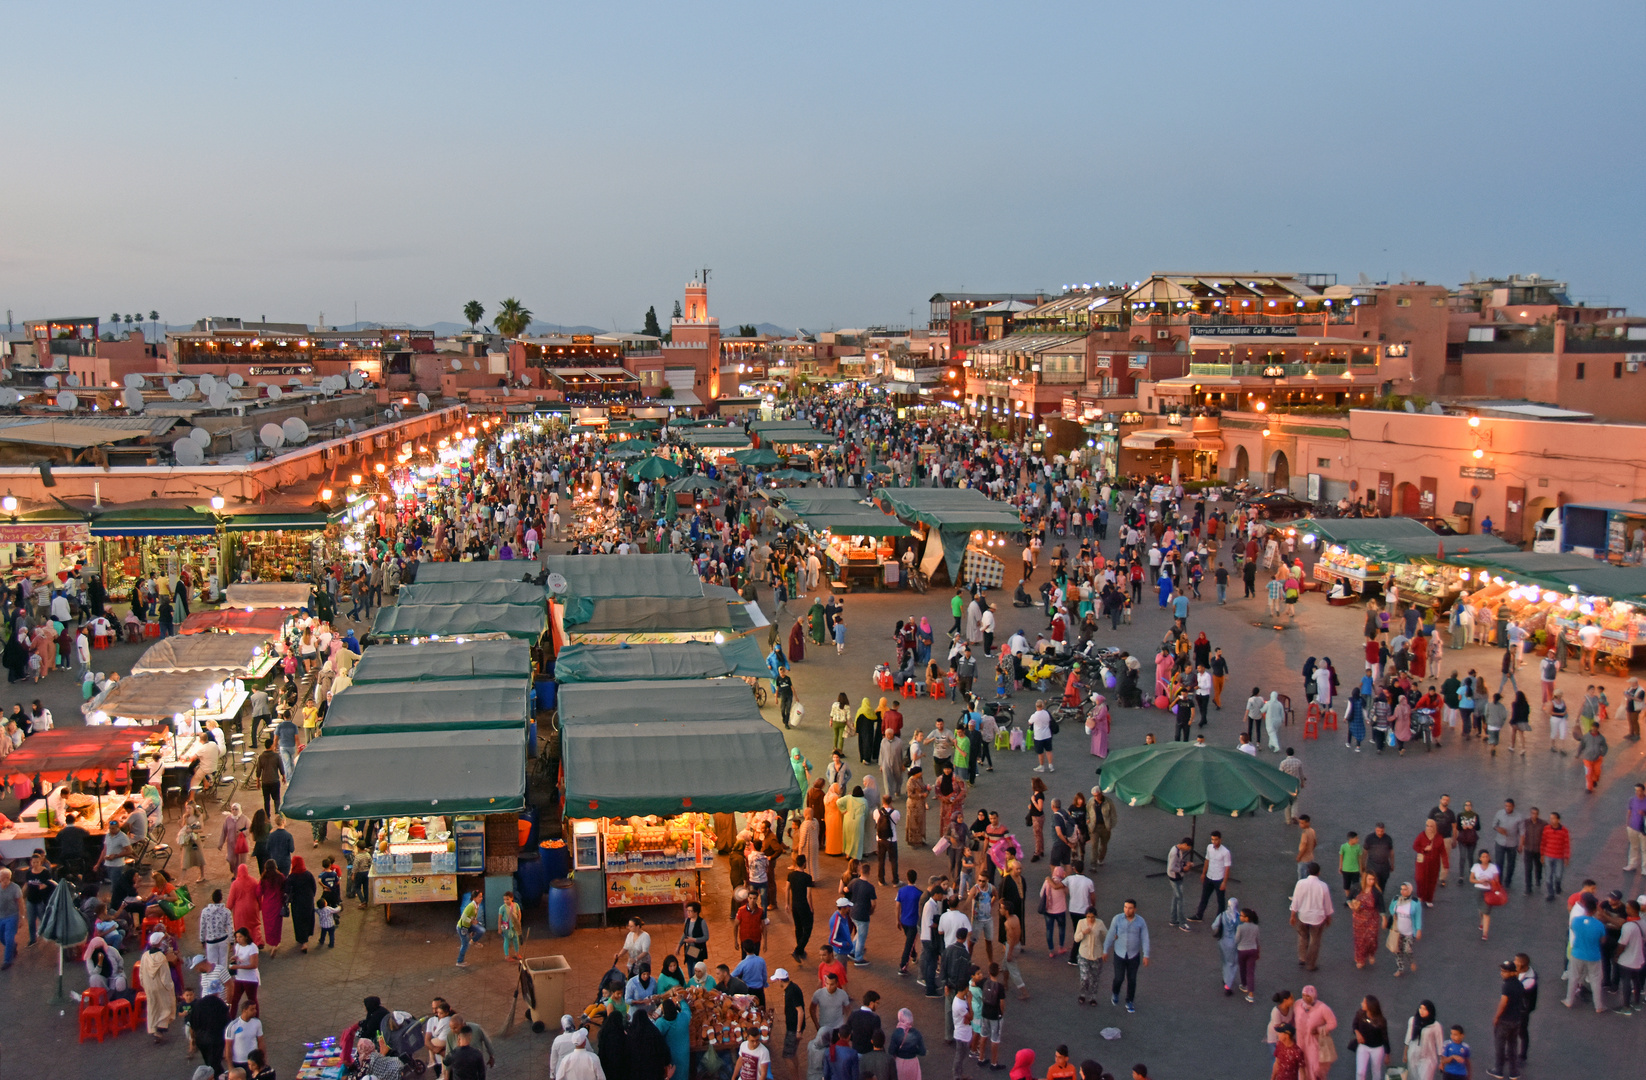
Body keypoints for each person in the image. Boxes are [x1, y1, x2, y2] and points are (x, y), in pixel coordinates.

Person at [1101, 899, 1149, 1013]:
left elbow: (1145, 938)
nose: (1127, 910)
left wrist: (1146, 954)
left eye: (1130, 908)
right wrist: (1105, 950)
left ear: (1135, 909)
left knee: (1132, 980)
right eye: (1125, 907)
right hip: (1119, 953)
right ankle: (1115, 993)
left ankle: (1129, 1001)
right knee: (1119, 978)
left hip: (1133, 955)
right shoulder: (1117, 919)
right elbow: (1110, 934)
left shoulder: (1141, 922)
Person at [1288, 863, 1333, 973]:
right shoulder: (1323, 886)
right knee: (1315, 941)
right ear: (1319, 873)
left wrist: (1293, 915)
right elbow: (1327, 904)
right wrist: (1328, 917)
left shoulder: (1300, 883)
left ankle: (1302, 957)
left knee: (1303, 936)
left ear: (1308, 871)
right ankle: (1311, 964)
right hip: (1318, 918)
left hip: (1303, 915)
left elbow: (1296, 900)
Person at [138, 931, 178, 1042]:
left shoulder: (145, 956)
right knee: (164, 1008)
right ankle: (160, 1030)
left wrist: (145, 985)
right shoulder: (161, 957)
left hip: (149, 986)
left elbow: (141, 973)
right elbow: (165, 976)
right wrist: (170, 987)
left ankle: (154, 1029)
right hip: (161, 987)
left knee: (153, 1008)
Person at [1292, 985, 1338, 1080]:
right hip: (1300, 1043)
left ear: (1313, 996)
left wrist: (1319, 1029)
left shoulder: (1322, 1008)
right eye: (1303, 995)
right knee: (1301, 1067)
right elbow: (1293, 1019)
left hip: (1314, 1044)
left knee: (1314, 1067)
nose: (1305, 998)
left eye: (1308, 996)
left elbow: (1333, 1023)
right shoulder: (1297, 1004)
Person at [1191, 831, 1231, 921]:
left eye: (1216, 839)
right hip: (1209, 877)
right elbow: (1207, 861)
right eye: (1212, 839)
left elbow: (1227, 868)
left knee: (1220, 901)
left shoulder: (1225, 852)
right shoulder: (1209, 848)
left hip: (1219, 878)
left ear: (1220, 839)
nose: (1214, 842)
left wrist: (1224, 882)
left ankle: (1219, 919)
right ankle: (1199, 915)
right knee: (1204, 897)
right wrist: (1203, 873)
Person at [1402, 1001, 1444, 1080]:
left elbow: (1440, 1044)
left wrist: (1442, 1061)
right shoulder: (1413, 1021)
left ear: (1430, 1011)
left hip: (1428, 1058)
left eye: (1424, 1009)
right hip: (1413, 1055)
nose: (1421, 1011)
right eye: (1420, 1008)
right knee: (1413, 1078)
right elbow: (1408, 1038)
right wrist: (1405, 1054)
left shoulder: (1435, 1025)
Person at [1350, 995, 1389, 1080]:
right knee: (1360, 1072)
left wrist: (1387, 1053)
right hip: (1363, 1046)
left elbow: (1385, 1037)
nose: (1361, 1003)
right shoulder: (1360, 1014)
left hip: (1377, 1048)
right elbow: (1354, 1025)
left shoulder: (1381, 1020)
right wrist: (1357, 1033)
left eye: (1364, 1002)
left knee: (1376, 1071)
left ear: (1369, 1005)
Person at [1212, 895, 1241, 996]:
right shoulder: (1238, 917)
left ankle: (1225, 978)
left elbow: (1214, 926)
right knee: (1232, 964)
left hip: (1222, 941)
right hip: (1233, 943)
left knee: (1224, 961)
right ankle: (1228, 985)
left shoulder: (1222, 915)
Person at [887, 1008, 926, 1080]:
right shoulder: (916, 1033)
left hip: (900, 1062)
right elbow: (923, 1052)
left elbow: (891, 1051)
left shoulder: (896, 1033)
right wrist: (914, 1050)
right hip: (913, 1063)